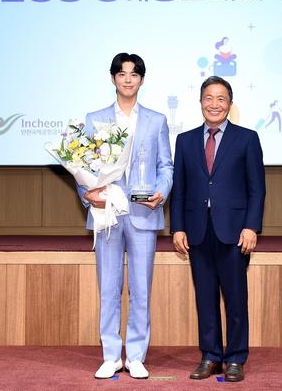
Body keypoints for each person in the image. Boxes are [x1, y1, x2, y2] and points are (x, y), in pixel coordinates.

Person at [78, 53, 173, 380]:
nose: (128, 79)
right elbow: (83, 166)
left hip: (144, 214)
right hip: (107, 215)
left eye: (134, 74)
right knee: (109, 288)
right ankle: (110, 355)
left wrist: (162, 191)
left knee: (141, 290)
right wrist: (87, 194)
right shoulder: (95, 119)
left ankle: (135, 356)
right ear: (113, 78)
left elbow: (166, 166)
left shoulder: (156, 120)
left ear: (141, 80)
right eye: (122, 74)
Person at [170, 76, 266, 382]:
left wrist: (251, 226)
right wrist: (178, 227)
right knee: (205, 298)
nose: (214, 104)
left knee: (235, 299)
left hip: (234, 232)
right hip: (197, 231)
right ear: (200, 102)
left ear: (230, 104)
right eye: (209, 98)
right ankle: (210, 356)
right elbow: (179, 189)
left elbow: (257, 189)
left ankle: (235, 358)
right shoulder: (184, 141)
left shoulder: (247, 139)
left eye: (221, 99)